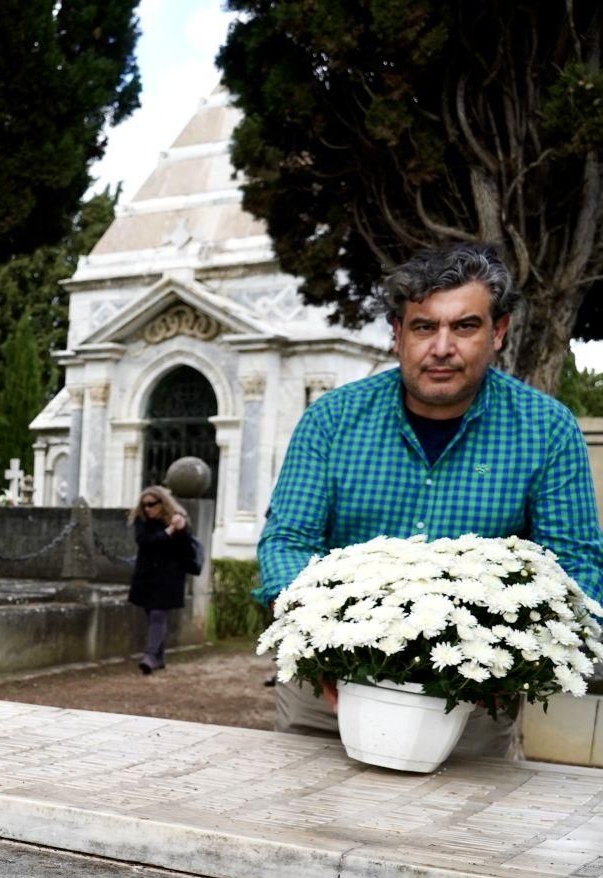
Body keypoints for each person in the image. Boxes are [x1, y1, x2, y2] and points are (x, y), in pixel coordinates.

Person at [256, 241, 603, 757]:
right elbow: (288, 541)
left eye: (464, 326)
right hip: (327, 695)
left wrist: (511, 661)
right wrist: (320, 644)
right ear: (397, 334)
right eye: (424, 327)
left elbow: (576, 565)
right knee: (307, 822)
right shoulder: (331, 421)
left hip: (473, 702)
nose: (442, 347)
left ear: (498, 332)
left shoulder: (545, 429)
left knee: (462, 836)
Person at [128, 484, 194, 674]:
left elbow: (186, 549)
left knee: (158, 614)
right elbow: (146, 543)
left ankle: (150, 656)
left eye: (152, 504)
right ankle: (160, 657)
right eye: (145, 505)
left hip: (168, 577)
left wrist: (180, 529)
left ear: (162, 503)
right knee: (153, 615)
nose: (148, 508)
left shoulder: (177, 520)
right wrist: (169, 531)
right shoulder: (141, 521)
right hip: (147, 576)